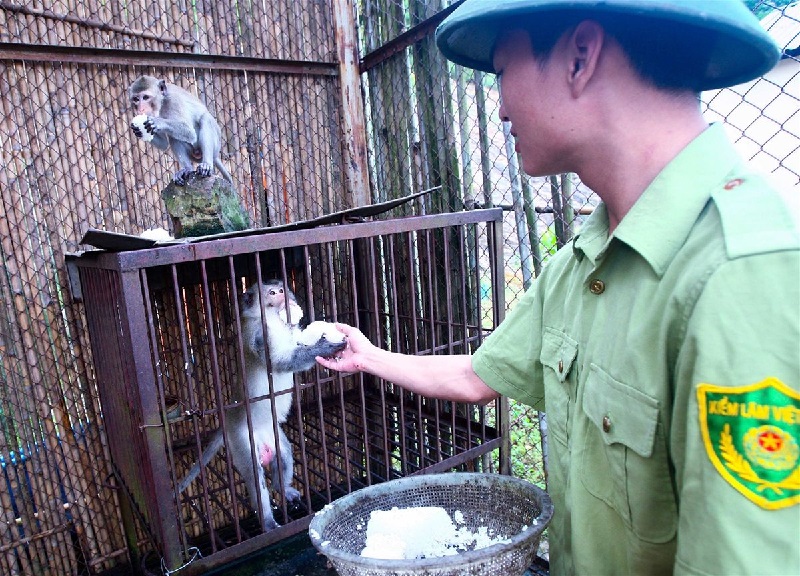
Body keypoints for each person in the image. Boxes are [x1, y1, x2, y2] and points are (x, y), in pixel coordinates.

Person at [317, 1, 800, 574]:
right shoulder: (580, 264)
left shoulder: (743, 271)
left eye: (500, 72)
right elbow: (478, 377)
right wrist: (369, 356)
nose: (497, 108)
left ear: (579, 55)